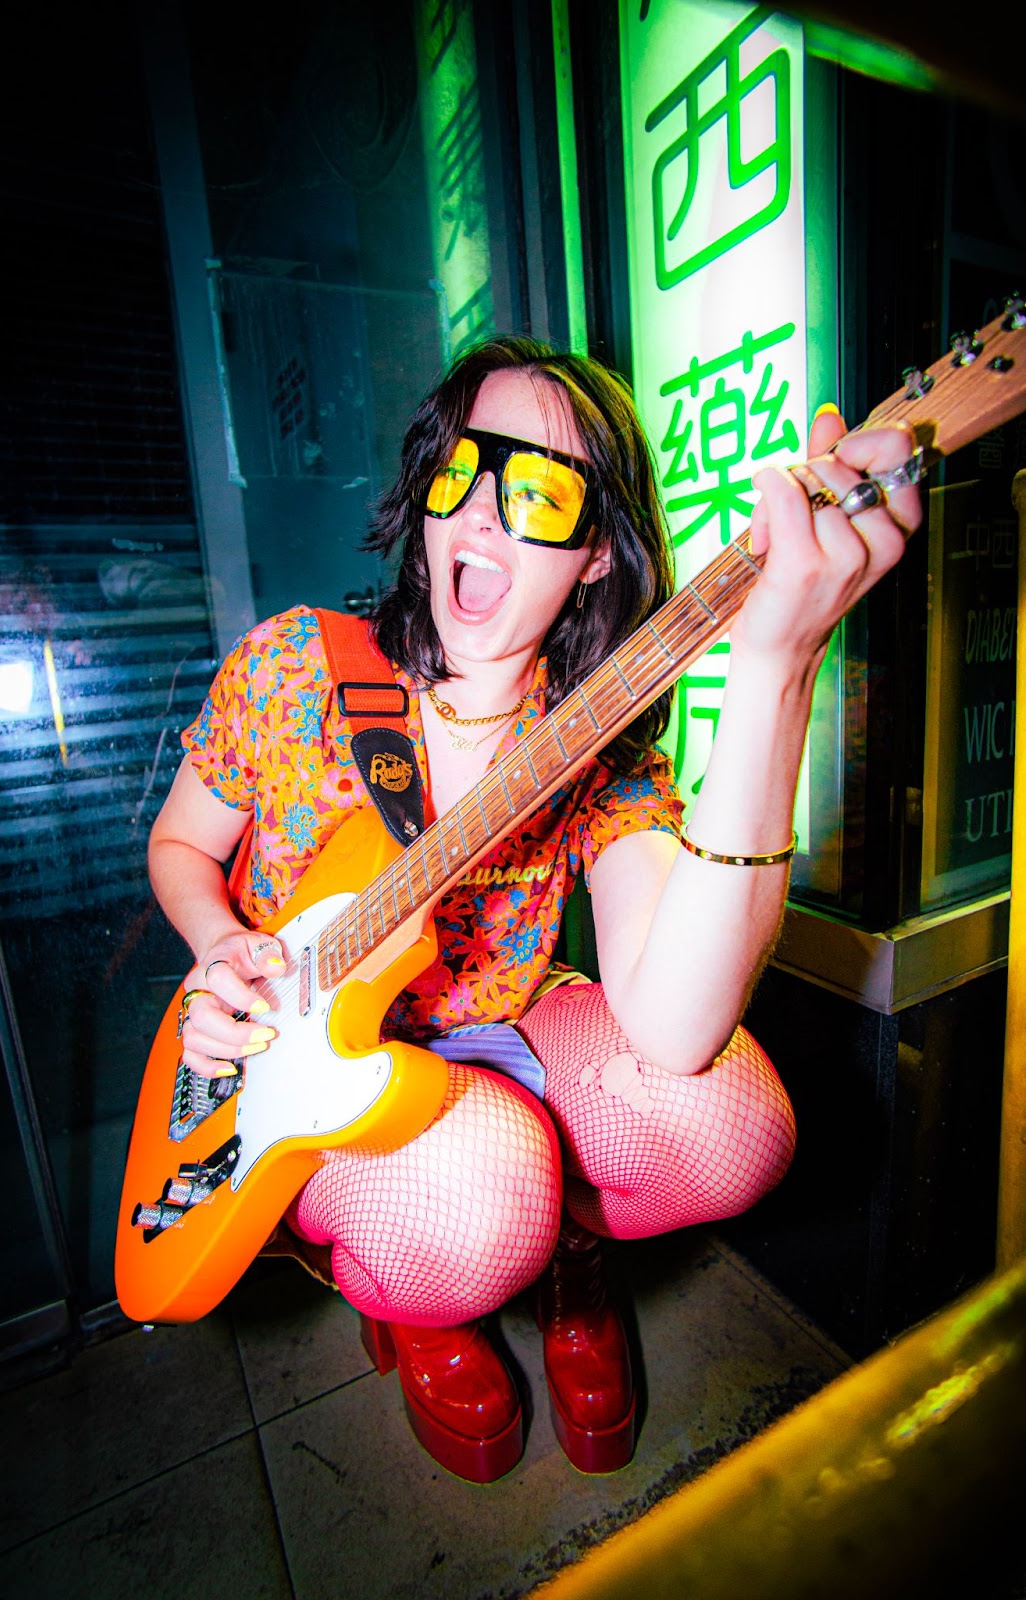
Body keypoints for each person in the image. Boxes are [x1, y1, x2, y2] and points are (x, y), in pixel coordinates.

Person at [148, 336, 920, 1482]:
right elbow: (179, 844)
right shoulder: (292, 666)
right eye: (461, 471)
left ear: (598, 551)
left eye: (541, 491)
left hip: (497, 1028)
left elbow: (673, 1028)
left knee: (733, 1125)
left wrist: (777, 670)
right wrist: (221, 946)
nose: (480, 512)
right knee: (479, 1192)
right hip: (305, 1070)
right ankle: (431, 1298)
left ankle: (567, 1258)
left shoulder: (594, 742)